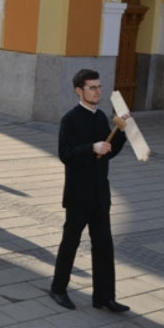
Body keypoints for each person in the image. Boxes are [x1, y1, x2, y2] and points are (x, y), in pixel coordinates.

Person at [49, 69, 130, 313]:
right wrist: (90, 148)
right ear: (79, 91)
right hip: (78, 194)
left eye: (99, 87)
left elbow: (108, 152)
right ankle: (58, 288)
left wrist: (122, 132)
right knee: (71, 242)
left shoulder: (101, 117)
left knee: (104, 245)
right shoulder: (70, 119)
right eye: (92, 87)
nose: (98, 91)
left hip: (100, 193)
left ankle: (104, 297)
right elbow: (65, 154)